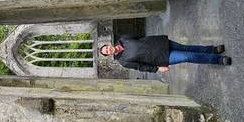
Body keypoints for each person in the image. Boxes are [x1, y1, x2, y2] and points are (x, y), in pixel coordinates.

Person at [99, 35, 231, 73]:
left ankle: (212, 50)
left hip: (161, 43)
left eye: (106, 48)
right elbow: (140, 67)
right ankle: (219, 60)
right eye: (106, 52)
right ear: (109, 55)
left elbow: (141, 37)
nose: (108, 50)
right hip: (160, 58)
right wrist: (157, 69)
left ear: (108, 45)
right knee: (187, 57)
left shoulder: (124, 38)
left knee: (186, 48)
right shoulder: (123, 61)